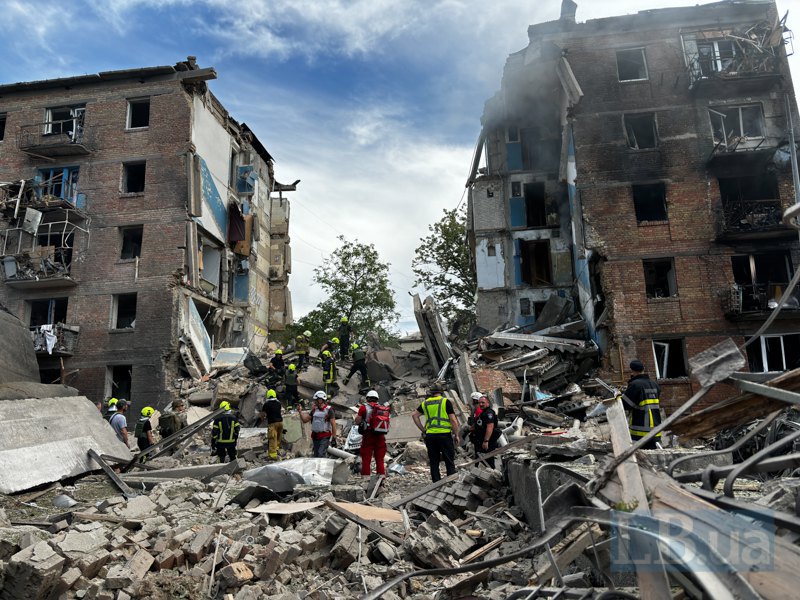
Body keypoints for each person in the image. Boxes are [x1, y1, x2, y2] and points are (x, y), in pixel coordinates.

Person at [412, 384, 460, 482]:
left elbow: (414, 416)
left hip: (430, 436)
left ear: (431, 392)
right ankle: (451, 481)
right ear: (441, 392)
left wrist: (423, 430)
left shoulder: (425, 403)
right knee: (449, 459)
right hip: (444, 434)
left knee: (434, 461)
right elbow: (453, 420)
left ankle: (436, 484)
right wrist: (456, 434)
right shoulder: (445, 402)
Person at [620, 359, 662, 449]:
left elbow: (625, 405)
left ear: (632, 370)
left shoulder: (635, 385)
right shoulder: (654, 384)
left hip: (641, 431)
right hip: (655, 428)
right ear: (643, 369)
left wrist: (619, 397)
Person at [355, 390, 389, 478]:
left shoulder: (363, 408)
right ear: (377, 399)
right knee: (380, 458)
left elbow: (357, 421)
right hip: (380, 436)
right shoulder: (382, 408)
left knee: (366, 458)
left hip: (368, 435)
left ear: (367, 398)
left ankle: (366, 478)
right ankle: (381, 478)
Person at [297, 391, 337, 458]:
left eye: (316, 400)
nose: (315, 402)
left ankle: (323, 468)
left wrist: (334, 438)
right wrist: (300, 411)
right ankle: (318, 468)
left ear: (321, 400)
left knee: (320, 454)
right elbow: (305, 420)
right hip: (315, 436)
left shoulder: (329, 410)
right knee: (316, 456)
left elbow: (333, 424)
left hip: (324, 436)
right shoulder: (314, 410)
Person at [473, 395, 500, 468]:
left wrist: (486, 441)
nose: (481, 404)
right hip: (480, 441)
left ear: (488, 403)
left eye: (483, 402)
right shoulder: (483, 413)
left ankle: (492, 476)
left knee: (488, 462)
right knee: (480, 461)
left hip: (487, 442)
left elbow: (490, 427)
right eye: (479, 403)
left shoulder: (489, 413)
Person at [263, 389, 284, 460]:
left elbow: (263, 414)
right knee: (278, 437)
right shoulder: (278, 403)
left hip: (272, 423)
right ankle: (277, 450)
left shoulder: (266, 404)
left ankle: (272, 455)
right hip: (280, 422)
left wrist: (263, 417)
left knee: (272, 438)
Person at [467, 391, 485, 458]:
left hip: (479, 435)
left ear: (475, 400)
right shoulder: (475, 409)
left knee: (479, 452)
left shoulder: (479, 410)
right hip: (477, 434)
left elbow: (478, 422)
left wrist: (472, 428)